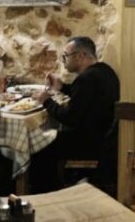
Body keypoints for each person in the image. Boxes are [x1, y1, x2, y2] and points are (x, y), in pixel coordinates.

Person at [29, 37, 120, 193]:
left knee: (39, 145)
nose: (63, 60)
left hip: (89, 143)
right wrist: (62, 87)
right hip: (103, 138)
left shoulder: (86, 79)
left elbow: (69, 118)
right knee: (46, 139)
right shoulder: (104, 71)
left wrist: (46, 101)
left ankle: (45, 192)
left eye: (65, 56)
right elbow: (84, 97)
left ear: (80, 56)